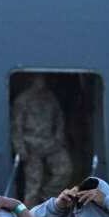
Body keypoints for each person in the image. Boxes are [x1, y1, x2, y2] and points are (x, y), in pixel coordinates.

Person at [11, 75, 73, 206]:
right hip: (31, 145)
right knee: (33, 184)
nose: (42, 82)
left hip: (50, 142)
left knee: (64, 170)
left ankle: (47, 198)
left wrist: (59, 138)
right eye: (38, 79)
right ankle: (30, 216)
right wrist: (20, 148)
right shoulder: (23, 100)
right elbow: (17, 126)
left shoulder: (50, 98)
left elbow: (59, 118)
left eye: (44, 80)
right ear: (31, 81)